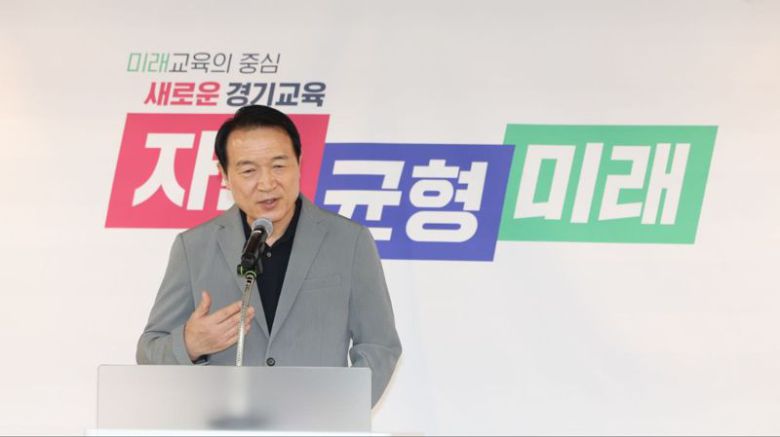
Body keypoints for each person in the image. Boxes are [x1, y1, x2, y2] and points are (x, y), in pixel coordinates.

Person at [136, 105, 402, 406]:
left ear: (299, 163)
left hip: (316, 421)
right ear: (224, 175)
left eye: (279, 166)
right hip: (224, 420)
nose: (266, 183)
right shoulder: (194, 246)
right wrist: (190, 343)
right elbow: (149, 350)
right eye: (249, 171)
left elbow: (380, 346)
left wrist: (340, 412)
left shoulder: (349, 241)